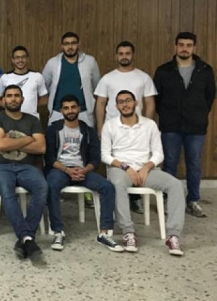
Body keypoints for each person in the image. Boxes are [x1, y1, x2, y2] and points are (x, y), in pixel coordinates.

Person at [101, 90, 186, 256]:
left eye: (128, 100)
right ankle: (128, 232)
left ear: (136, 103)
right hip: (120, 169)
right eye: (121, 102)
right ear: (116, 106)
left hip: (147, 170)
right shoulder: (110, 125)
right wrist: (126, 167)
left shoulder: (150, 125)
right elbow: (105, 155)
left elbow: (158, 154)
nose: (125, 105)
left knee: (176, 185)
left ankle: (173, 236)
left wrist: (146, 167)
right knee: (117, 184)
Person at [45, 95, 123, 252]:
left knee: (107, 187)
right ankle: (58, 232)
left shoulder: (88, 131)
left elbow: (95, 158)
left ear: (79, 109)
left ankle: (104, 233)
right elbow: (49, 158)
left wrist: (84, 170)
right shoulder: (53, 129)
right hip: (60, 169)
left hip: (83, 170)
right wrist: (67, 170)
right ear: (61, 111)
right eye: (66, 108)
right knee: (51, 186)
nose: (70, 111)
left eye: (73, 107)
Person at [154, 32, 215, 218]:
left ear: (194, 47)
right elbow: (157, 98)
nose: (184, 49)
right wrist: (167, 115)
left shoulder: (205, 70)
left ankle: (193, 200)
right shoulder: (163, 71)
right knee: (170, 163)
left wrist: (198, 113)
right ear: (175, 46)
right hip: (171, 125)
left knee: (194, 164)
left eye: (189, 45)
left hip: (196, 126)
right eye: (181, 45)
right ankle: (168, 199)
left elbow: (210, 96)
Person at [0, 85, 48, 263]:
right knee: (7, 191)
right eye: (9, 96)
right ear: (3, 100)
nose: (13, 99)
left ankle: (25, 238)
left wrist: (11, 141)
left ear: (22, 99)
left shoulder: (32, 120)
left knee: (42, 187)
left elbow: (41, 147)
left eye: (16, 96)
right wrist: (28, 139)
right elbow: (1, 145)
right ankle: (28, 238)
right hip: (0, 166)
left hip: (26, 167)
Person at [94, 41, 157, 135]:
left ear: (133, 55)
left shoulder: (144, 78)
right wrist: (100, 128)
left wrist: (147, 127)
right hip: (111, 127)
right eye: (121, 54)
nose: (124, 56)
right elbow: (100, 103)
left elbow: (150, 103)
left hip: (136, 128)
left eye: (127, 53)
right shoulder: (107, 78)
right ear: (116, 56)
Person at [42, 32, 100, 127]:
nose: (70, 47)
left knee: (86, 137)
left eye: (73, 43)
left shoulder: (90, 61)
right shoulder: (52, 63)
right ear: (62, 46)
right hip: (57, 112)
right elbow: (44, 86)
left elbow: (96, 87)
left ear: (78, 44)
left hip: (84, 112)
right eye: (66, 44)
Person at [0, 46, 47, 118]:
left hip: (32, 118)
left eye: (23, 57)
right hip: (11, 119)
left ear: (27, 59)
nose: (20, 60)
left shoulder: (37, 76)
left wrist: (32, 105)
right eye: (17, 57)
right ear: (13, 60)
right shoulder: (5, 77)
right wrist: (11, 107)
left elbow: (44, 99)